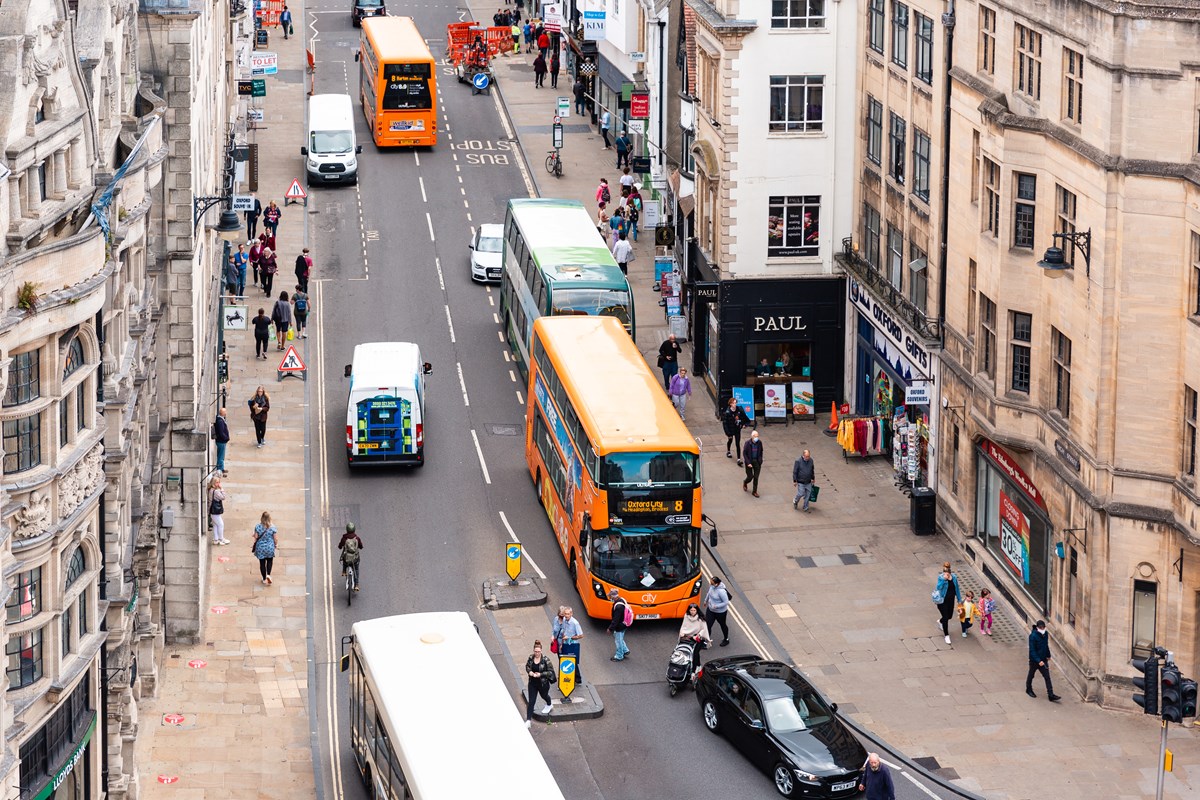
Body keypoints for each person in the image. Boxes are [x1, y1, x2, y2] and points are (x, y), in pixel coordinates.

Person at [1026, 620, 1061, 701]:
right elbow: (1032, 650)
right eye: (1041, 628)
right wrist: (1038, 661)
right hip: (1034, 661)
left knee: (1047, 677)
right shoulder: (1033, 636)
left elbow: (1046, 645)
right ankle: (1028, 689)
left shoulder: (1045, 634)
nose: (1042, 629)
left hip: (1043, 659)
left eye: (1043, 627)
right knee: (1031, 674)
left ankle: (1050, 694)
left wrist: (1048, 655)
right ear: (1037, 628)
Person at [524, 640, 554, 727]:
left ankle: (549, 704)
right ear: (533, 651)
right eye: (535, 651)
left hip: (543, 683)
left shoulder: (545, 660)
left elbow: (551, 672)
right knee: (531, 701)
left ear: (541, 651)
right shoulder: (531, 657)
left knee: (544, 696)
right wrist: (529, 672)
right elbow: (527, 666)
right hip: (532, 683)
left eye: (538, 652)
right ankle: (528, 721)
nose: (537, 653)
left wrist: (540, 674)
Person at [932, 561, 962, 645]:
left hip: (951, 600)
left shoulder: (954, 578)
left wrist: (959, 600)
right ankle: (946, 635)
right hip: (942, 601)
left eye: (947, 573)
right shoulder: (941, 578)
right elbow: (938, 587)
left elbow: (957, 589)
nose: (946, 574)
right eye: (945, 573)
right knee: (945, 617)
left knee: (949, 616)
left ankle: (940, 621)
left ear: (950, 572)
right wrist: (944, 580)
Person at [552, 606, 584, 681]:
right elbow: (564, 632)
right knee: (565, 660)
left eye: (568, 614)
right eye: (565, 614)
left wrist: (570, 637)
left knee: (573, 661)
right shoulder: (564, 620)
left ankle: (578, 679)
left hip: (572, 645)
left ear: (571, 614)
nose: (566, 616)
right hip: (565, 644)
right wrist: (562, 644)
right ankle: (568, 677)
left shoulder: (575, 623)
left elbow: (581, 635)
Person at [678, 603, 711, 670]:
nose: (692, 612)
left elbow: (704, 629)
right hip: (687, 637)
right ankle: (696, 666)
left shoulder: (700, 618)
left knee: (695, 653)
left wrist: (698, 635)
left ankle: (695, 668)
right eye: (691, 610)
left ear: (697, 611)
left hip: (698, 638)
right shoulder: (686, 616)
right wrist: (682, 633)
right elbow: (684, 626)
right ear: (689, 610)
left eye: (694, 610)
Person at [703, 576, 731, 646]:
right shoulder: (712, 587)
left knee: (722, 625)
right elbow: (708, 593)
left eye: (712, 583)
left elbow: (726, 602)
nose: (711, 584)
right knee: (708, 625)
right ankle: (707, 641)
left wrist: (716, 606)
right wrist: (705, 601)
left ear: (717, 584)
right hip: (710, 610)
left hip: (720, 612)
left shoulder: (721, 592)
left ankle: (726, 639)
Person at [722, 396, 750, 463]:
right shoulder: (727, 413)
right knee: (730, 440)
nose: (735, 404)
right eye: (733, 403)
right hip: (731, 430)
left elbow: (747, 420)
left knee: (738, 443)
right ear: (730, 404)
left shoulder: (739, 410)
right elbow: (725, 424)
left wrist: (745, 425)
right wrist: (728, 433)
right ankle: (728, 451)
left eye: (735, 403)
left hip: (737, 429)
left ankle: (738, 459)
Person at [253, 511, 279, 585]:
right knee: (270, 561)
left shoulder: (258, 526)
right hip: (270, 547)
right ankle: (268, 575)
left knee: (262, 564)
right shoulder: (273, 527)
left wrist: (254, 537)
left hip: (260, 548)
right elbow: (275, 539)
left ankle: (264, 579)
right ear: (269, 518)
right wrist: (276, 544)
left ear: (262, 518)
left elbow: (256, 537)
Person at [338, 522, 364, 590]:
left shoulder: (344, 538)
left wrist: (340, 546)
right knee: (356, 569)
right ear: (354, 530)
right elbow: (361, 546)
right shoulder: (357, 538)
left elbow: (340, 545)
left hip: (347, 558)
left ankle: (344, 571)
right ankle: (357, 585)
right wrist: (360, 547)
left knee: (344, 559)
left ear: (347, 530)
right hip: (355, 558)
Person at [607, 589, 629, 662]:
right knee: (620, 638)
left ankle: (619, 656)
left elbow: (615, 620)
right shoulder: (622, 600)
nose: (610, 598)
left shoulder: (618, 607)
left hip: (620, 626)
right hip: (625, 623)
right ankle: (625, 650)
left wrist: (610, 629)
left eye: (610, 596)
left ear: (613, 597)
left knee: (618, 640)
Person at [208, 476, 230, 546]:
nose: (218, 484)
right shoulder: (216, 491)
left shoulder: (211, 490)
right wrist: (222, 489)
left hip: (212, 510)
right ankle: (221, 539)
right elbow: (223, 497)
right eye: (217, 482)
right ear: (214, 483)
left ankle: (216, 539)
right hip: (215, 511)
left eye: (219, 482)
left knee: (215, 525)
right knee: (221, 524)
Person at [742, 430, 764, 497]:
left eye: (757, 436)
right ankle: (745, 482)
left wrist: (760, 460)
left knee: (756, 477)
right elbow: (744, 453)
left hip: (757, 461)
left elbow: (761, 451)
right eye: (755, 436)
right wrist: (748, 462)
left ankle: (754, 491)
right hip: (749, 462)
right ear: (752, 436)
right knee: (750, 476)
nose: (756, 437)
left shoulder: (759, 443)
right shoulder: (747, 443)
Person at [213, 407, 230, 476]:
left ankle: (222, 469)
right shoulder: (220, 421)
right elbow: (221, 432)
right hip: (221, 441)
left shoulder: (220, 419)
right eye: (225, 412)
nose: (226, 413)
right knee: (220, 456)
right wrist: (226, 438)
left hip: (221, 441)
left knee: (222, 456)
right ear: (222, 413)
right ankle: (219, 470)